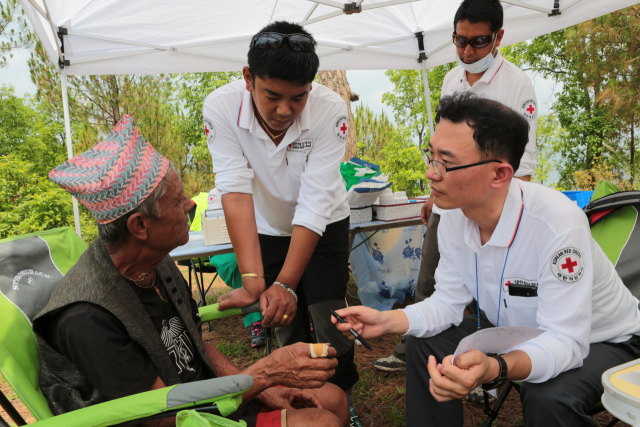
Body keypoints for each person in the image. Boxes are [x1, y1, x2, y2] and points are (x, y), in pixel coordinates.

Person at [334, 93, 640, 427]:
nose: (430, 173)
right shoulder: (452, 214)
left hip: (604, 340)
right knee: (424, 343)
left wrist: (496, 366)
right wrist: (386, 321)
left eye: (446, 163)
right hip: (520, 329)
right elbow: (448, 303)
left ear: (499, 174)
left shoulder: (556, 224)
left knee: (548, 394)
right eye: (431, 155)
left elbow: (566, 342)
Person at [33, 116, 349, 427]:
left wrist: (258, 388)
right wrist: (264, 375)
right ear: (140, 226)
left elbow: (197, 344)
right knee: (319, 421)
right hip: (172, 417)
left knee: (333, 397)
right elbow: (160, 417)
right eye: (177, 201)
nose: (190, 206)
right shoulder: (87, 316)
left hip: (203, 397)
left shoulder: (155, 262)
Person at [203, 20, 360, 420]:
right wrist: (256, 281)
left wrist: (287, 282)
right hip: (267, 228)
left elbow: (315, 200)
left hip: (324, 225)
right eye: (272, 95)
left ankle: (340, 398)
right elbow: (234, 190)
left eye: (298, 97)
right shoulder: (219, 107)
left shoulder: (330, 109)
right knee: (283, 318)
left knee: (329, 319)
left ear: (311, 88)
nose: (284, 110)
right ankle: (298, 403)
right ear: (248, 78)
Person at [373, 0, 539, 377]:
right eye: (459, 41)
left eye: (478, 42)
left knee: (493, 291)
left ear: (498, 37)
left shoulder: (517, 84)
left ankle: (493, 364)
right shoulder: (451, 79)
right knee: (431, 277)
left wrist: (508, 220)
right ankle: (415, 350)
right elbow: (444, 149)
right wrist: (436, 196)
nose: (467, 51)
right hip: (451, 204)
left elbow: (521, 162)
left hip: (493, 208)